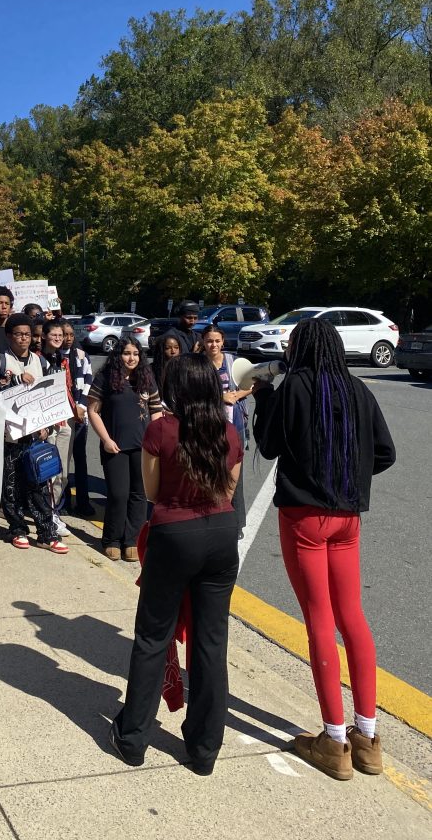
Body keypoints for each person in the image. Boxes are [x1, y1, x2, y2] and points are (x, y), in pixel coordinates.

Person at [252, 318, 396, 780]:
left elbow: (269, 446)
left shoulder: (293, 387)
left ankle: (333, 740)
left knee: (318, 619)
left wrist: (264, 399)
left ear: (303, 349)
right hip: (347, 516)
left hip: (304, 518)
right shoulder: (357, 391)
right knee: (352, 615)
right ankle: (368, 736)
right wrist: (348, 476)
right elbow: (385, 452)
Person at [110, 353, 242, 774]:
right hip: (221, 535)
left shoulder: (161, 429)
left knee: (152, 636)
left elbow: (151, 491)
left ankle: (133, 738)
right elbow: (231, 486)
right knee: (210, 643)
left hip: (174, 533)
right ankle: (204, 750)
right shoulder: (228, 433)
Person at [0, 314, 68, 555]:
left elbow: (48, 396)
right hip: (8, 436)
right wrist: (13, 379)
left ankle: (47, 533)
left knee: (39, 486)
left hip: (34, 436)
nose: (23, 338)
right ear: (8, 336)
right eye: (18, 334)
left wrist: (46, 424)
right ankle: (18, 529)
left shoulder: (40, 361)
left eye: (27, 334)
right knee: (11, 486)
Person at [87, 339, 162, 561]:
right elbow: (93, 411)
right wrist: (106, 439)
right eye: (127, 353)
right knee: (118, 494)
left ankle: (133, 540)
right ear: (118, 355)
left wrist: (156, 440)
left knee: (139, 495)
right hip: (115, 447)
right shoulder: (106, 378)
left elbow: (156, 411)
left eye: (136, 354)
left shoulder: (147, 378)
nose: (132, 358)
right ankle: (112, 539)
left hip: (143, 448)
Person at [199, 324, 251, 535]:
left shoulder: (232, 361)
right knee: (210, 473)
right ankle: (211, 518)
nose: (214, 345)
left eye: (217, 340)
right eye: (210, 341)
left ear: (223, 341)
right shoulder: (199, 364)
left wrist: (235, 396)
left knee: (234, 476)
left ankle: (236, 523)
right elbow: (193, 391)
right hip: (208, 426)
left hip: (234, 425)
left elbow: (251, 384)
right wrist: (220, 397)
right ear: (203, 342)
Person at [39, 318, 78, 535]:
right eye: (53, 335)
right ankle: (46, 514)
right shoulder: (38, 360)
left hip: (64, 420)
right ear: (44, 336)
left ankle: (54, 511)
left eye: (60, 336)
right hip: (47, 423)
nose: (58, 338)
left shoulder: (62, 360)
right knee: (49, 472)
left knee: (63, 472)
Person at [62, 319, 96, 517]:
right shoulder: (52, 356)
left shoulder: (82, 356)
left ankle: (83, 502)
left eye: (70, 335)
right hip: (61, 416)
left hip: (79, 414)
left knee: (80, 458)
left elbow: (88, 381)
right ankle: (63, 500)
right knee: (62, 460)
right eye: (63, 335)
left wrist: (81, 405)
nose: (67, 339)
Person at [151, 329, 183, 397]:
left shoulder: (183, 368)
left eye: (176, 347)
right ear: (161, 350)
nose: (173, 351)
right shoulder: (151, 370)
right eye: (168, 348)